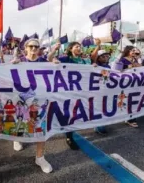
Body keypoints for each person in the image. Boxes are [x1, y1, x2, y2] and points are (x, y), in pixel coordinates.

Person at [11, 38, 53, 173]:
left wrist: (56, 64)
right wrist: (12, 66)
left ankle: (40, 157)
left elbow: (56, 73)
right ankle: (17, 138)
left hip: (40, 100)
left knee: (41, 127)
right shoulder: (20, 61)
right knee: (21, 122)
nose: (34, 49)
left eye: (36, 46)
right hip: (22, 100)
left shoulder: (44, 62)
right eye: (31, 46)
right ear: (25, 48)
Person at [48, 41, 87, 150]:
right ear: (70, 49)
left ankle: (69, 133)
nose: (79, 48)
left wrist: (93, 66)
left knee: (74, 113)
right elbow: (50, 58)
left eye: (80, 46)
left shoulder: (84, 60)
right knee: (68, 112)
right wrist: (55, 50)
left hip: (79, 91)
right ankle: (69, 137)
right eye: (76, 46)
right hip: (66, 90)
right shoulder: (66, 58)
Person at [119, 46, 142, 127]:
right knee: (128, 100)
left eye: (135, 50)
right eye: (132, 50)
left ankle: (131, 117)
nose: (134, 52)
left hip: (135, 83)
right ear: (128, 51)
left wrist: (139, 65)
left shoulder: (135, 59)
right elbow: (118, 70)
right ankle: (129, 119)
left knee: (134, 100)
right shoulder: (123, 59)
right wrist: (129, 66)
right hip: (126, 83)